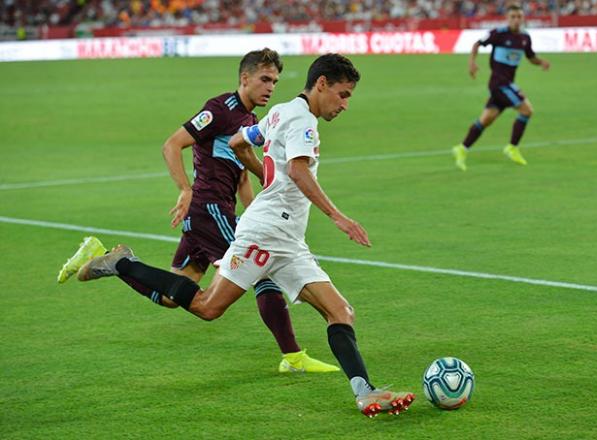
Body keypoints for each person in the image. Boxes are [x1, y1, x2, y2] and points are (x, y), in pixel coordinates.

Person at [76, 53, 415, 418]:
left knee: (340, 311)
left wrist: (269, 178)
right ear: (321, 84)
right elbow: (300, 172)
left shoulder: (280, 112)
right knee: (208, 307)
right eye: (343, 94)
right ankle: (124, 263)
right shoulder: (303, 121)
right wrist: (338, 217)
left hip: (288, 239)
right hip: (266, 232)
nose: (345, 104)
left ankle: (364, 393)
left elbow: (240, 141)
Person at [58, 48, 338, 374]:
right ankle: (292, 358)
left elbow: (242, 178)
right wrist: (185, 189)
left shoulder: (250, 123)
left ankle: (117, 262)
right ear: (244, 78)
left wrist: (260, 212)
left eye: (275, 81)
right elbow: (172, 144)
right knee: (264, 275)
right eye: (264, 79)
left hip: (217, 213)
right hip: (210, 208)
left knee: (173, 296)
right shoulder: (220, 109)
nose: (270, 87)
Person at [452, 3, 551, 171]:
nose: (516, 20)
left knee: (485, 120)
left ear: (523, 18)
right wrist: (472, 63)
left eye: (519, 16)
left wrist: (541, 62)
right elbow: (477, 44)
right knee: (526, 110)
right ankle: (512, 147)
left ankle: (461, 148)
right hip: (499, 84)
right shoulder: (498, 34)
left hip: (506, 84)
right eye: (513, 17)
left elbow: (530, 56)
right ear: (507, 18)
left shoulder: (525, 37)